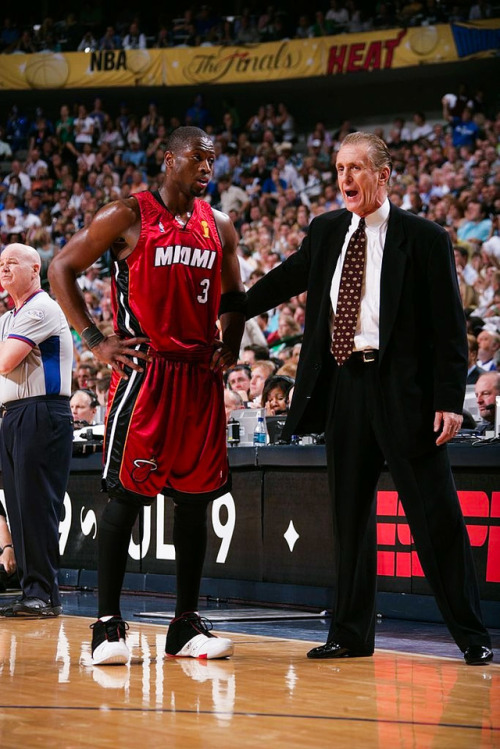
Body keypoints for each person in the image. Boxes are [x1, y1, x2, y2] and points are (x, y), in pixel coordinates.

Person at [246, 132, 493, 666]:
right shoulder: (327, 230)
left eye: (356, 168)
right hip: (346, 388)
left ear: (384, 174)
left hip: (404, 391)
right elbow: (286, 278)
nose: (345, 179)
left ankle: (472, 634)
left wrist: (450, 399)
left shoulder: (424, 238)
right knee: (350, 518)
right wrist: (234, 307)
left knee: (436, 517)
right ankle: (351, 634)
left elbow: (451, 329)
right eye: (339, 168)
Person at [48, 126, 245, 665]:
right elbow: (60, 267)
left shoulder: (219, 225)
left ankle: (184, 626)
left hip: (199, 378)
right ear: (168, 159)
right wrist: (95, 341)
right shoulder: (127, 215)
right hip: (148, 372)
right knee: (127, 497)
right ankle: (107, 627)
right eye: (197, 158)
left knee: (195, 501)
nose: (207, 167)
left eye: (213, 159)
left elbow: (236, 295)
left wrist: (232, 341)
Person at [0, 243, 73, 618]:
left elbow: (6, 360)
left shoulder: (41, 307)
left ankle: (43, 593)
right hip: (15, 413)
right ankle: (33, 590)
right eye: (1, 263)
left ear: (35, 268)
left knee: (37, 503)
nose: (4, 267)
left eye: (12, 261)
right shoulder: (9, 317)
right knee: (19, 506)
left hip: (42, 411)